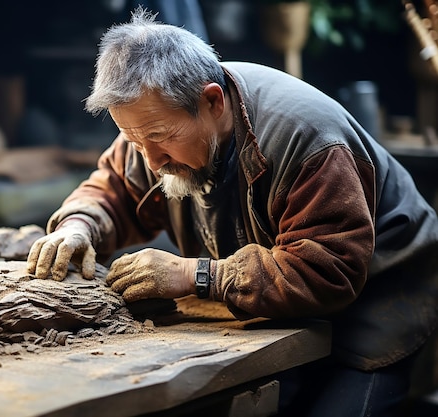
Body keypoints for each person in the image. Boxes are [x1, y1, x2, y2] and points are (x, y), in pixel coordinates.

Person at [26, 7, 438, 416]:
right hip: (279, 313)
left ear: (212, 101)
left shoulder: (308, 139)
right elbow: (114, 188)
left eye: (158, 138)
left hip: (379, 305)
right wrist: (79, 225)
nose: (151, 160)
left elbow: (326, 271)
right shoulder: (156, 121)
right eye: (134, 141)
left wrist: (195, 275)